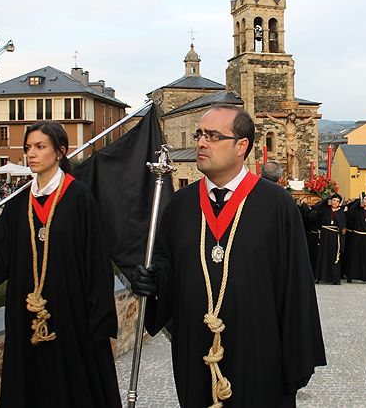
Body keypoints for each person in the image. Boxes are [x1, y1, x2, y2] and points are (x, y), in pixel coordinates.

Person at [131, 104, 326, 407]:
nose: (200, 143)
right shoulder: (181, 205)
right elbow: (169, 269)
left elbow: (296, 286)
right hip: (197, 352)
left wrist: (297, 362)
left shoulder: (277, 205)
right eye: (199, 135)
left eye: (212, 136)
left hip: (259, 354)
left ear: (241, 146)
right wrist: (153, 282)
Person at [0, 121, 120, 408]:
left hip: (71, 321)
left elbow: (97, 266)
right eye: (28, 148)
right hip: (26, 320)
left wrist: (99, 324)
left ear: (60, 152)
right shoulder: (18, 204)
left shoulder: (80, 199)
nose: (32, 154)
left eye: (40, 147)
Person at [312, 193, 347, 285]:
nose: (335, 202)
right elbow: (316, 208)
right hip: (324, 236)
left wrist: (342, 241)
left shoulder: (341, 213)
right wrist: (325, 200)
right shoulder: (325, 210)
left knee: (334, 256)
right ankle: (319, 277)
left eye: (337, 201)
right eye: (333, 200)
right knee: (322, 255)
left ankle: (335, 278)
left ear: (339, 203)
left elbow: (343, 227)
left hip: (335, 237)